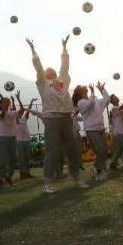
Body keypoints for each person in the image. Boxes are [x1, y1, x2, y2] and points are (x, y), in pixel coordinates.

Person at [28, 36, 86, 194]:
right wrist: (33, 51)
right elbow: (38, 67)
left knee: (72, 150)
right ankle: (48, 182)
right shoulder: (43, 84)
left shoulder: (63, 82)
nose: (50, 72)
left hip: (67, 118)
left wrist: (64, 48)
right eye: (48, 72)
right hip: (52, 120)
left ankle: (76, 178)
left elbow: (65, 66)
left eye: (52, 71)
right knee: (52, 152)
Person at [75, 82, 110, 182]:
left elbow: (107, 100)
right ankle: (99, 171)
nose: (84, 86)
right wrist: (93, 92)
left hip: (100, 129)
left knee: (104, 150)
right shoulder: (81, 103)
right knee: (100, 150)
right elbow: (90, 105)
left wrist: (102, 90)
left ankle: (97, 167)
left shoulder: (94, 100)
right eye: (81, 87)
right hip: (91, 130)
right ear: (79, 93)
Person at [0, 91, 25, 186]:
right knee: (4, 159)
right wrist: (4, 104)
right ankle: (1, 178)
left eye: (7, 103)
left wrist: (18, 99)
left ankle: (8, 176)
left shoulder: (12, 113)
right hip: (2, 138)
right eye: (5, 103)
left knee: (13, 159)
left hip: (13, 138)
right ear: (1, 104)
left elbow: (22, 110)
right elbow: (2, 116)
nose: (7, 104)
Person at [16, 99, 35, 179]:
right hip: (19, 141)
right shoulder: (15, 120)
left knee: (27, 157)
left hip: (27, 140)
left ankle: (27, 173)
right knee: (22, 158)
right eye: (20, 112)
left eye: (22, 112)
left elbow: (28, 110)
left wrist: (31, 102)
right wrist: (17, 99)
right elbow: (20, 108)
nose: (21, 112)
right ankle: (22, 174)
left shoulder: (24, 118)